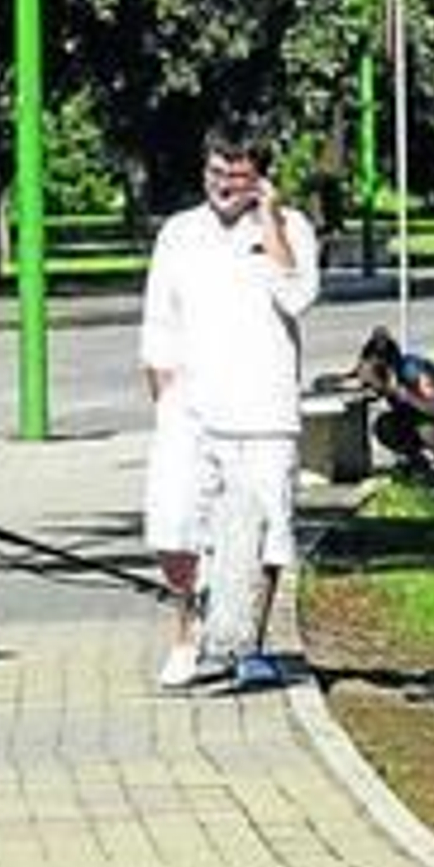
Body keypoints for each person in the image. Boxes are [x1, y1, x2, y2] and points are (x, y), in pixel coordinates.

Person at [140, 126, 319, 689]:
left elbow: (298, 296)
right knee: (175, 524)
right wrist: (161, 383)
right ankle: (189, 632)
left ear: (260, 178)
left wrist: (268, 220)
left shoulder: (289, 229)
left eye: (237, 177)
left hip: (263, 405)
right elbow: (158, 316)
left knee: (267, 529)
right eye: (216, 173)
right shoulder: (179, 232)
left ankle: (249, 645)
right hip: (190, 404)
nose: (223, 186)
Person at [354, 326, 434, 489]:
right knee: (385, 425)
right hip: (422, 412)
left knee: (423, 422)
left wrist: (403, 395)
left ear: (386, 367)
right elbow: (344, 379)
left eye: (371, 378)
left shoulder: (414, 370)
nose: (368, 383)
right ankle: (419, 465)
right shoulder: (374, 369)